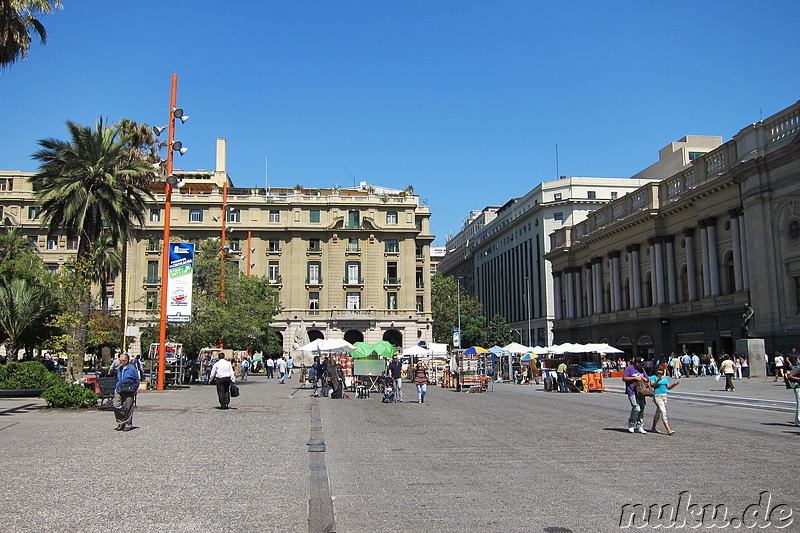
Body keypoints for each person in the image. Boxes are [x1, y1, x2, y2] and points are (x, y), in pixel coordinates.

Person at [649, 364, 679, 435]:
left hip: (664, 396)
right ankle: (668, 429)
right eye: (659, 370)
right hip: (657, 396)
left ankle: (653, 427)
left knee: (658, 412)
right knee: (663, 412)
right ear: (656, 370)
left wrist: (674, 384)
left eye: (661, 370)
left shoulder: (665, 378)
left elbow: (668, 387)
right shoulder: (653, 377)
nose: (660, 372)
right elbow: (652, 385)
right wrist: (658, 380)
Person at [113, 354, 140, 431]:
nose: (119, 362)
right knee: (116, 405)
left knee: (128, 407)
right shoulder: (118, 368)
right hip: (119, 389)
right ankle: (121, 421)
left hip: (129, 390)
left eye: (121, 361)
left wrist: (134, 388)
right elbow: (116, 378)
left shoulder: (131, 368)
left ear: (126, 361)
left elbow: (136, 379)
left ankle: (128, 424)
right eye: (119, 360)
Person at [622, 358, 649, 434]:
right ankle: (631, 423)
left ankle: (639, 426)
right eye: (641, 364)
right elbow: (624, 378)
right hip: (632, 390)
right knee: (636, 407)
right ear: (637, 363)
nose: (642, 366)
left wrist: (645, 379)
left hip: (640, 391)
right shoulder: (629, 369)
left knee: (642, 407)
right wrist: (634, 378)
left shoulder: (642, 370)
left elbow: (647, 377)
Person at [785, 363, 800, 427]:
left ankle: (797, 422)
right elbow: (790, 376)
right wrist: (798, 379)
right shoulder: (798, 369)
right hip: (798, 388)